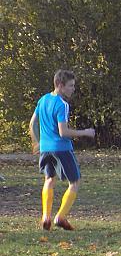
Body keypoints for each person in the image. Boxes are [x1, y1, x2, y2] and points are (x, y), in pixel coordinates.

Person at [29, 69, 95, 231]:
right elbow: (63, 132)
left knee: (49, 180)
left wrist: (37, 142)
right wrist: (85, 132)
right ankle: (60, 217)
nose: (73, 89)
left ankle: (46, 216)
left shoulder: (43, 100)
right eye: (71, 85)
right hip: (61, 148)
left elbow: (32, 124)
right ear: (60, 85)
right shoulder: (62, 104)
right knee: (75, 181)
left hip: (45, 148)